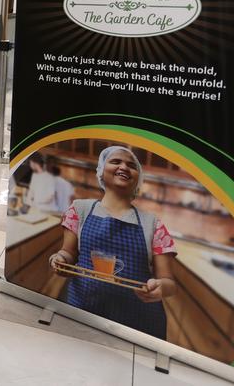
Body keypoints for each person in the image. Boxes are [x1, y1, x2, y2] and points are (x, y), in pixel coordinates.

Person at [49, 145, 176, 339]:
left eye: (131, 165)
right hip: (84, 309)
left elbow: (169, 283)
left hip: (139, 323)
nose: (124, 167)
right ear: (101, 171)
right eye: (116, 161)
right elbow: (69, 252)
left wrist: (160, 288)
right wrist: (60, 259)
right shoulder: (79, 210)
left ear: (138, 179)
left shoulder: (153, 224)